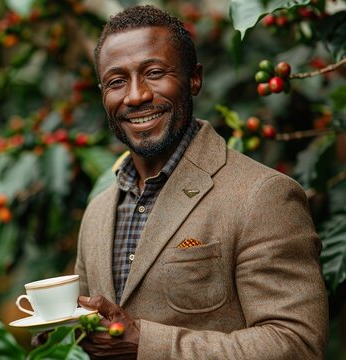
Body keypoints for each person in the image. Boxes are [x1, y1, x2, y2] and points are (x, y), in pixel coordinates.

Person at [74, 5, 328, 359]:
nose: (135, 95)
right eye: (117, 81)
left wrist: (144, 344)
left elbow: (297, 345)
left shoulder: (262, 196)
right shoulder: (98, 211)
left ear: (194, 79)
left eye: (155, 72)